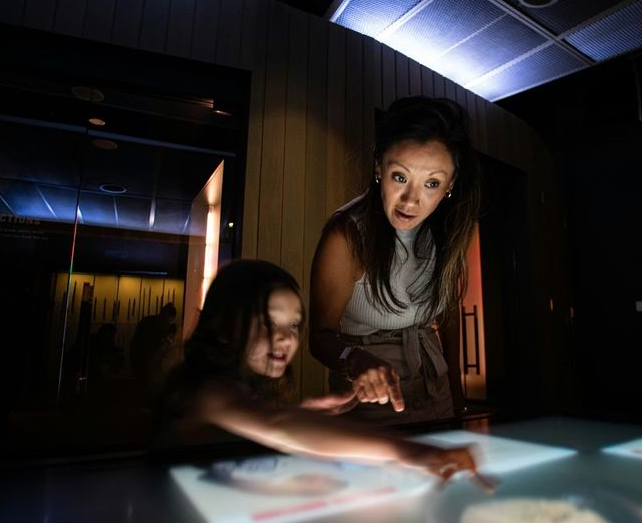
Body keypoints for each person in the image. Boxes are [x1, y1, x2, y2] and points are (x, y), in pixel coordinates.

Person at [157, 259, 483, 483]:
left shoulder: (231, 390)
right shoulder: (209, 392)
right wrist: (411, 451)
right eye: (269, 322)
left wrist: (303, 411)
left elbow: (259, 420)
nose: (286, 337)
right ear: (223, 327)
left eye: (295, 325)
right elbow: (278, 425)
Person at [310, 96, 481, 424]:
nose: (411, 200)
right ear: (378, 166)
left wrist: (456, 388)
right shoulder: (346, 236)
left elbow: (448, 314)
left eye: (431, 183)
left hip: (436, 380)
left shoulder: (448, 230)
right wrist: (354, 359)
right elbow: (319, 337)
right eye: (400, 177)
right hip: (368, 391)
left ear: (450, 185)